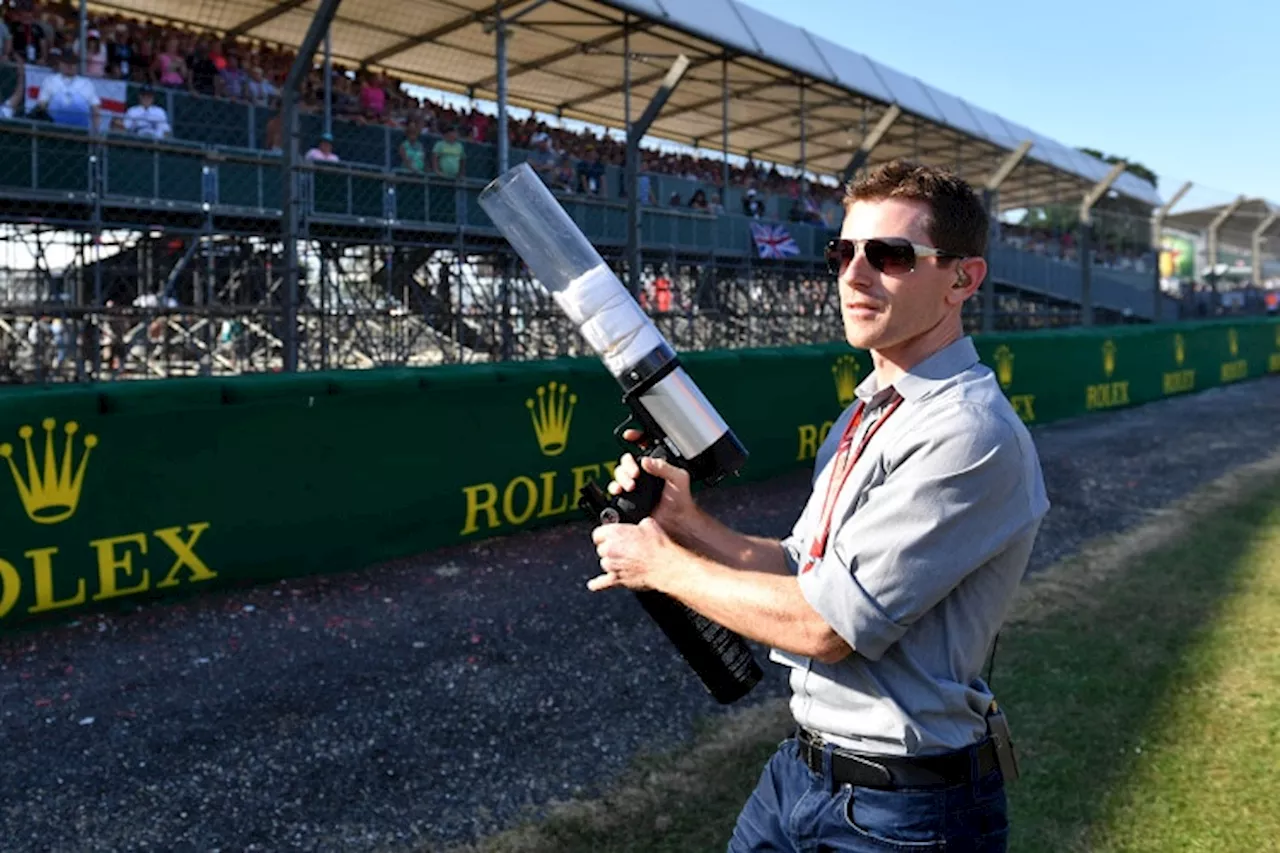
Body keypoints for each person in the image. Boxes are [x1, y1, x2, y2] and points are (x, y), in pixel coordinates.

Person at [589, 159, 1049, 852]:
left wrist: (659, 566)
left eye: (891, 255)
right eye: (844, 251)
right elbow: (802, 568)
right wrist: (685, 525)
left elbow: (827, 624)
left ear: (963, 278)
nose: (855, 274)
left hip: (907, 813)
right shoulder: (865, 413)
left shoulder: (969, 432)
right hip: (801, 772)